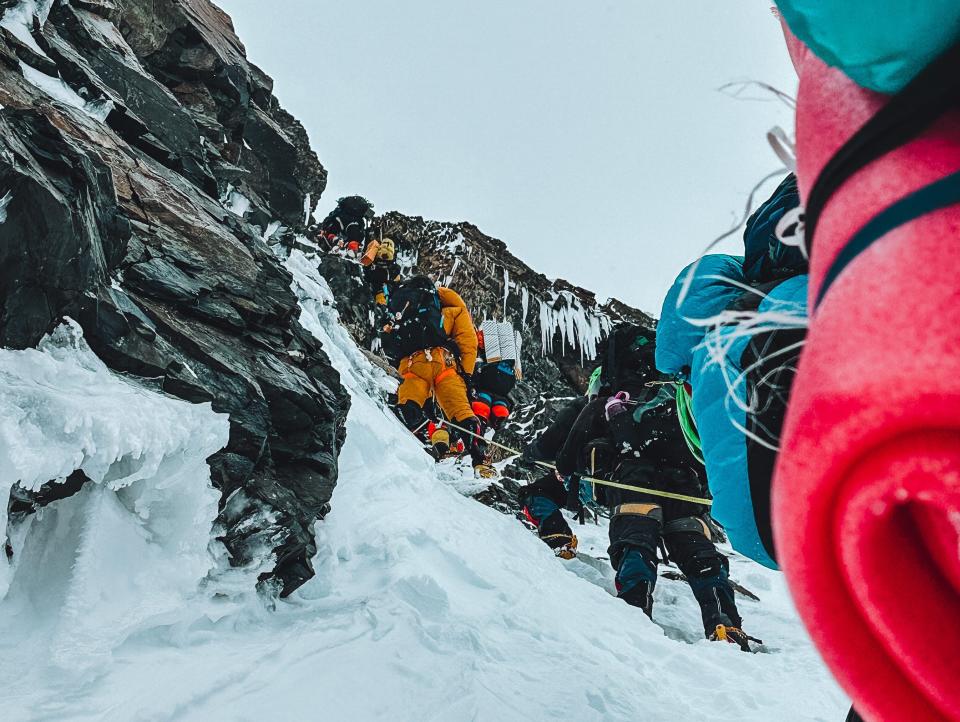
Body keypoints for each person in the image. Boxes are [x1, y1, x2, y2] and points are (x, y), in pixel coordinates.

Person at [557, 327, 754, 650]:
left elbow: (574, 443)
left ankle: (634, 613)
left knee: (636, 542)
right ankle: (725, 623)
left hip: (634, 476)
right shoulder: (673, 394)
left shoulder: (610, 399)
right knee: (698, 550)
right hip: (684, 476)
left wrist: (563, 472)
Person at [381, 276, 493, 477]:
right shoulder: (453, 308)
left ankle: (397, 453)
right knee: (462, 413)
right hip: (444, 363)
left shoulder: (403, 308)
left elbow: (388, 341)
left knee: (408, 406)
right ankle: (480, 461)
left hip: (411, 364)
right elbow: (468, 341)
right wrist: (466, 375)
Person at [471, 321, 519, 433]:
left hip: (490, 377)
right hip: (507, 381)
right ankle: (500, 417)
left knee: (483, 400)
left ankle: (480, 421)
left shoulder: (484, 338)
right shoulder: (509, 351)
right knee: (500, 400)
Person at [360, 236, 401, 306]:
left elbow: (365, 266)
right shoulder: (394, 267)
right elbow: (395, 283)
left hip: (370, 283)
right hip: (381, 288)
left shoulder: (374, 255)